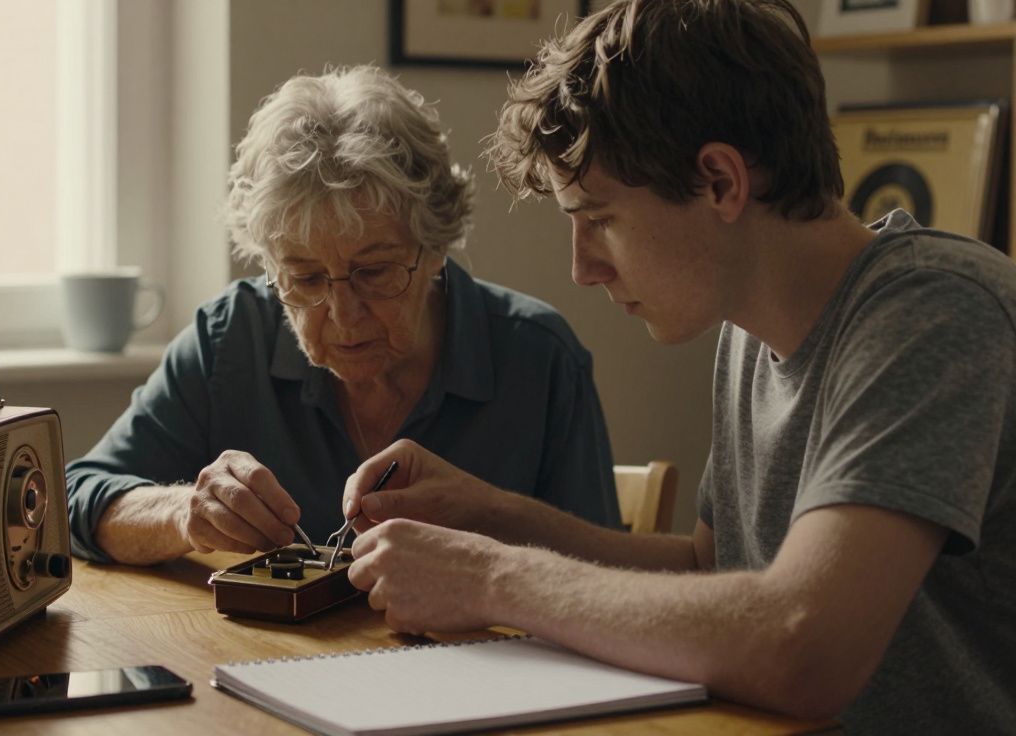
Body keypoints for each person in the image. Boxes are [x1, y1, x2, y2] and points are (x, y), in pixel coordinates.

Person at [341, 1, 1016, 732]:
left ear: (721, 182)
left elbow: (803, 645)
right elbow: (712, 577)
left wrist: (488, 578)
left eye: (598, 219)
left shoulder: (937, 311)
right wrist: (487, 515)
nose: (582, 268)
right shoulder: (748, 336)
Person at [64, 65, 620, 566]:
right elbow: (77, 499)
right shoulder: (230, 339)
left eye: (374, 272)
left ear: (434, 249)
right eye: (304, 279)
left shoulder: (538, 357)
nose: (344, 317)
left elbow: (609, 578)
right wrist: (184, 511)